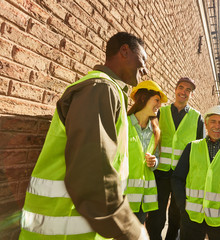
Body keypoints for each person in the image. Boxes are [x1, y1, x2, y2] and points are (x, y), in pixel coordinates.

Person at [20, 32, 150, 240]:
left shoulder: (109, 90)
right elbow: (94, 173)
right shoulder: (100, 89)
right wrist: (131, 230)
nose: (145, 69)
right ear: (124, 51)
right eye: (142, 59)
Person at [171, 105, 220, 240]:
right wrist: (182, 205)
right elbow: (177, 178)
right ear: (206, 124)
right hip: (192, 218)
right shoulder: (192, 147)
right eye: (213, 121)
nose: (217, 126)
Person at [146, 77, 204, 240]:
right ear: (175, 89)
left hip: (182, 175)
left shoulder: (196, 117)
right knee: (157, 215)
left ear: (191, 95)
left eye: (188, 90)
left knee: (177, 215)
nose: (183, 92)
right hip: (160, 171)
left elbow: (200, 149)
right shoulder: (160, 112)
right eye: (181, 87)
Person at [125, 80, 167, 224]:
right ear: (143, 98)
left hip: (142, 202)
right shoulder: (123, 124)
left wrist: (154, 162)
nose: (159, 105)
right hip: (122, 199)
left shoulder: (155, 131)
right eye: (156, 100)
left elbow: (157, 157)